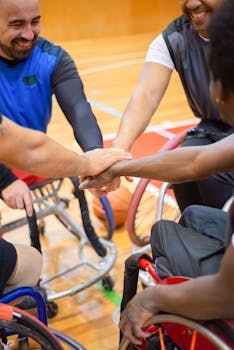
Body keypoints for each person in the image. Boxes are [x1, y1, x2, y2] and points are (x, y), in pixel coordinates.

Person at [81, 0, 234, 345]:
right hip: (212, 142)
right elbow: (191, 158)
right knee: (193, 205)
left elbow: (228, 293)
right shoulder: (174, 36)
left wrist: (152, 299)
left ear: (220, 88)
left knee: (163, 235)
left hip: (227, 292)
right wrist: (117, 158)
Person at [109, 0, 234, 212]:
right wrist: (118, 150)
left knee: (210, 172)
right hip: (212, 127)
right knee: (182, 171)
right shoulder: (173, 37)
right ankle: (201, 235)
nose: (192, 2)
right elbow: (146, 95)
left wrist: (118, 169)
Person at [0, 0, 118, 217]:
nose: (28, 35)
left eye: (35, 22)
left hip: (34, 156)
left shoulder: (53, 58)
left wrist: (96, 156)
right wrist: (4, 180)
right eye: (17, 25)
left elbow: (79, 109)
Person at [0, 113, 131, 297]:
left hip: (24, 156)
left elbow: (77, 106)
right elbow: (30, 149)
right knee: (32, 262)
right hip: (18, 159)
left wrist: (94, 151)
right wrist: (89, 164)